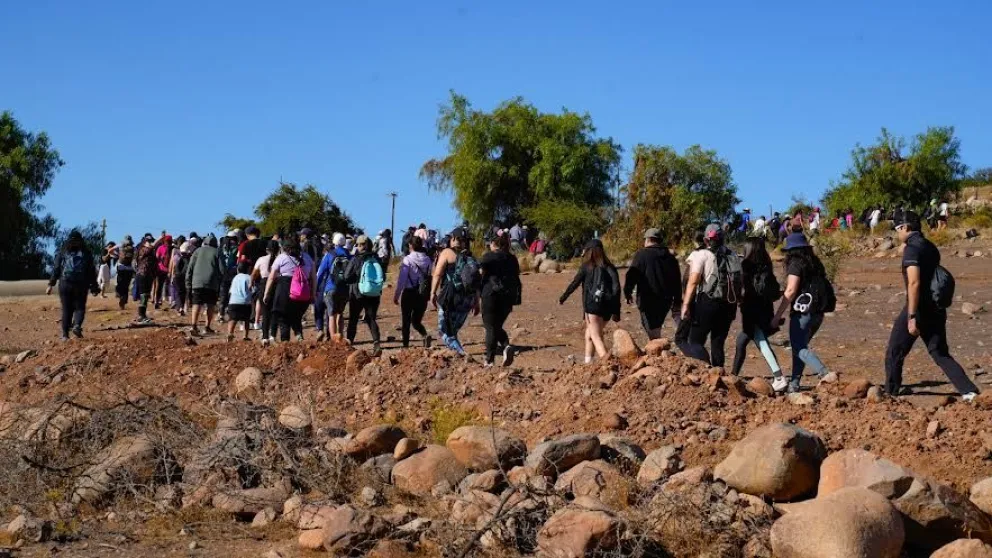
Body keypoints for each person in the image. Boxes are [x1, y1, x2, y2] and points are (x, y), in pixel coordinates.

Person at [884, 211, 978, 400]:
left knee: (895, 350)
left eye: (897, 229)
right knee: (940, 353)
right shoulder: (930, 246)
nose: (897, 233)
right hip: (936, 308)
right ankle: (969, 392)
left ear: (905, 227)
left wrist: (912, 316)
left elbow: (914, 283)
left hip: (919, 308)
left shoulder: (912, 249)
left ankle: (891, 393)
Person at [772, 232, 834, 393]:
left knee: (799, 348)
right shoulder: (815, 262)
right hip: (818, 313)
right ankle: (794, 384)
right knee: (799, 348)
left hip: (802, 313)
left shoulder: (795, 263)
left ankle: (825, 373)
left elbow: (791, 290)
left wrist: (777, 316)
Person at [678, 225, 740, 367]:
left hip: (707, 302)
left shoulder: (702, 255)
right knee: (718, 343)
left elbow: (693, 281)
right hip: (729, 304)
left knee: (695, 341)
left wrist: (685, 305)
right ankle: (719, 372)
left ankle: (705, 368)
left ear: (706, 240)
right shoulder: (733, 255)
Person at [731, 237, 787, 391]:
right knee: (743, 342)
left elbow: (740, 288)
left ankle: (779, 377)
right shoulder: (766, 267)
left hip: (751, 312)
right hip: (765, 311)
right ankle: (733, 375)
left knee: (760, 343)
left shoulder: (746, 267)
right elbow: (773, 292)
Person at [559, 239, 620, 363]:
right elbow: (617, 288)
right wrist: (616, 310)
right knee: (590, 334)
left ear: (589, 252)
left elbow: (574, 283)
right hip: (608, 306)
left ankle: (608, 361)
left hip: (592, 306)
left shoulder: (586, 267)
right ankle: (588, 363)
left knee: (595, 336)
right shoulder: (610, 267)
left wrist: (564, 297)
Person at [623, 228, 681, 340]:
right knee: (654, 326)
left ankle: (658, 347)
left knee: (652, 330)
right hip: (666, 300)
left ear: (648, 239)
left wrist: (627, 292)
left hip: (647, 299)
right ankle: (657, 345)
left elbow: (632, 275)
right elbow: (677, 280)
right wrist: (677, 300)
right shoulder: (670, 257)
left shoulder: (642, 254)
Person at [431, 227, 480, 356]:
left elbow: (437, 274)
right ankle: (457, 356)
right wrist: (476, 301)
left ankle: (462, 355)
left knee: (444, 332)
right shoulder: (471, 257)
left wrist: (433, 293)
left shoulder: (447, 252)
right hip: (467, 300)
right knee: (453, 331)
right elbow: (475, 281)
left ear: (453, 238)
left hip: (450, 297)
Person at [47, 230, 99, 340]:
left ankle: (65, 335)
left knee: (66, 309)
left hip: (65, 283)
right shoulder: (86, 253)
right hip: (81, 284)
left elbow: (56, 268)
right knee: (79, 307)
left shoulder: (63, 251)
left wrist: (51, 284)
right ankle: (77, 326)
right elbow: (91, 271)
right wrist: (94, 287)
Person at [479, 233, 521, 366]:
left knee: (490, 327)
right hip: (508, 296)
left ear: (493, 243)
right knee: (496, 326)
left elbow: (480, 272)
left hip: (491, 294)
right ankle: (506, 346)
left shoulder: (488, 256)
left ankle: (489, 360)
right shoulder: (512, 258)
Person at [265, 240, 316, 342]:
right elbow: (314, 278)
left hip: (284, 289)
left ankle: (283, 341)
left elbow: (271, 277)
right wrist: (313, 294)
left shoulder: (282, 257)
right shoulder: (307, 258)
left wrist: (266, 293)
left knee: (282, 317)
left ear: (285, 248)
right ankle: (299, 336)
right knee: (296, 316)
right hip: (302, 291)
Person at [343, 235, 384, 355]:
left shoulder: (355, 259)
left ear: (360, 246)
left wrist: (355, 278)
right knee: (371, 319)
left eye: (359, 244)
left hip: (357, 293)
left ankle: (349, 343)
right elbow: (383, 276)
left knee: (353, 319)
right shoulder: (376, 258)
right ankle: (376, 343)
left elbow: (346, 276)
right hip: (374, 293)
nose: (359, 246)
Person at [393, 235, 434, 349]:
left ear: (410, 245)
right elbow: (429, 276)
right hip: (422, 293)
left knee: (406, 321)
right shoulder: (428, 260)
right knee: (416, 321)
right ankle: (424, 334)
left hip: (409, 293)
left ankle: (405, 346)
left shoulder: (407, 259)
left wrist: (397, 295)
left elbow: (402, 280)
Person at [316, 233, 352, 342]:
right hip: (345, 289)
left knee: (331, 315)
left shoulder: (329, 255)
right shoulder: (349, 255)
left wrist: (316, 288)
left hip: (331, 287)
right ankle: (340, 337)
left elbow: (320, 273)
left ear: (334, 242)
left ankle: (333, 339)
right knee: (340, 314)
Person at [186, 234, 223, 336]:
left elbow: (190, 267)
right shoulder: (217, 252)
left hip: (197, 281)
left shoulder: (197, 251)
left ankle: (194, 325)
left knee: (197, 303)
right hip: (212, 283)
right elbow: (222, 269)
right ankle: (207, 327)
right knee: (210, 304)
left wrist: (188, 282)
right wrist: (220, 280)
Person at [252, 239, 280, 345]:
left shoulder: (261, 259)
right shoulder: (280, 259)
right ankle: (273, 335)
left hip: (264, 284)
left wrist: (251, 283)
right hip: (277, 285)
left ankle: (264, 337)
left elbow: (254, 274)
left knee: (265, 312)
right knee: (275, 312)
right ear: (278, 249)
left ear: (267, 249)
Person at [135, 233, 164, 324]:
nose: (150, 243)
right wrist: (159, 239)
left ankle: (143, 315)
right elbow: (150, 249)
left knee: (146, 295)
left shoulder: (151, 251)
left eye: (151, 241)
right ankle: (141, 316)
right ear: (144, 242)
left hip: (148, 275)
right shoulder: (142, 249)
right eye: (149, 241)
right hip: (142, 274)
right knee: (143, 296)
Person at [226, 261, 254, 342]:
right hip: (245, 302)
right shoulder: (249, 277)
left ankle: (230, 333)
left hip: (233, 301)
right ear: (248, 269)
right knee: (246, 320)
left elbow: (230, 291)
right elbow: (252, 289)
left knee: (232, 319)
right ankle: (245, 336)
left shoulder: (235, 278)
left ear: (238, 269)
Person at [217, 232, 240, 321]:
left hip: (223, 273)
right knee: (231, 294)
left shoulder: (221, 248)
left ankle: (221, 314)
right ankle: (228, 312)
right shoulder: (237, 248)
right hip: (233, 273)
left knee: (223, 294)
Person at [170, 240, 191, 316]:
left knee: (179, 293)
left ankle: (180, 308)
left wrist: (173, 276)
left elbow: (175, 268)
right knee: (183, 294)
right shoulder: (188, 259)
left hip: (178, 277)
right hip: (184, 277)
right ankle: (181, 308)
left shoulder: (177, 257)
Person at [153, 234, 173, 309]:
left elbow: (157, 258)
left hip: (162, 269)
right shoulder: (172, 248)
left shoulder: (161, 248)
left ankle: (158, 300)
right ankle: (160, 300)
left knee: (160, 286)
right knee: (166, 286)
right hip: (166, 270)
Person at [115, 236, 135, 309]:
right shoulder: (133, 248)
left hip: (121, 267)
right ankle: (123, 301)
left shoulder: (120, 246)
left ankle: (120, 296)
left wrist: (117, 255)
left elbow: (110, 250)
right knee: (126, 286)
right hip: (129, 268)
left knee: (120, 284)